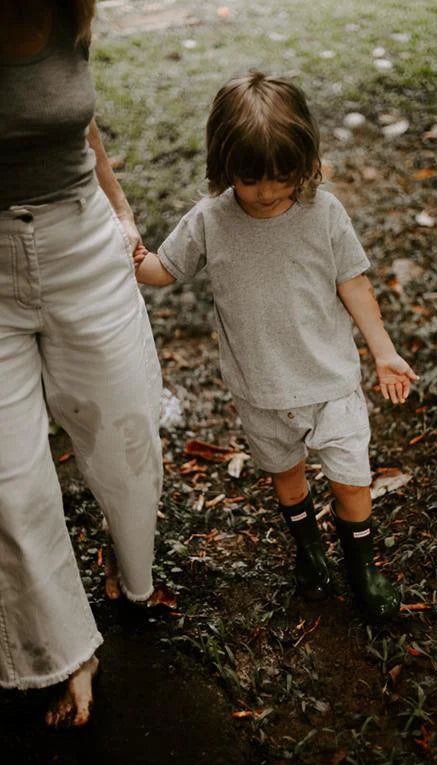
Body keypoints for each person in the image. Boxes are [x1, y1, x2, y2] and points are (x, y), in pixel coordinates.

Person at [136, 71, 418, 623]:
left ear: (305, 160)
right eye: (250, 179)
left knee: (352, 480)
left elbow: (353, 283)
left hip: (330, 381)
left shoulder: (324, 212)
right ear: (224, 166)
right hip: (260, 388)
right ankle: (309, 551)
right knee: (286, 477)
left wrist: (383, 351)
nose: (267, 192)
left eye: (282, 177)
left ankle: (361, 566)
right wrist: (121, 248)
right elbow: (162, 270)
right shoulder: (210, 220)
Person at [0, 0, 163, 727]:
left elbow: (75, 116)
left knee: (128, 446)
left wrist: (120, 206)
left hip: (83, 246)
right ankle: (70, 651)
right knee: (11, 487)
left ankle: (136, 584)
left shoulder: (72, 5)